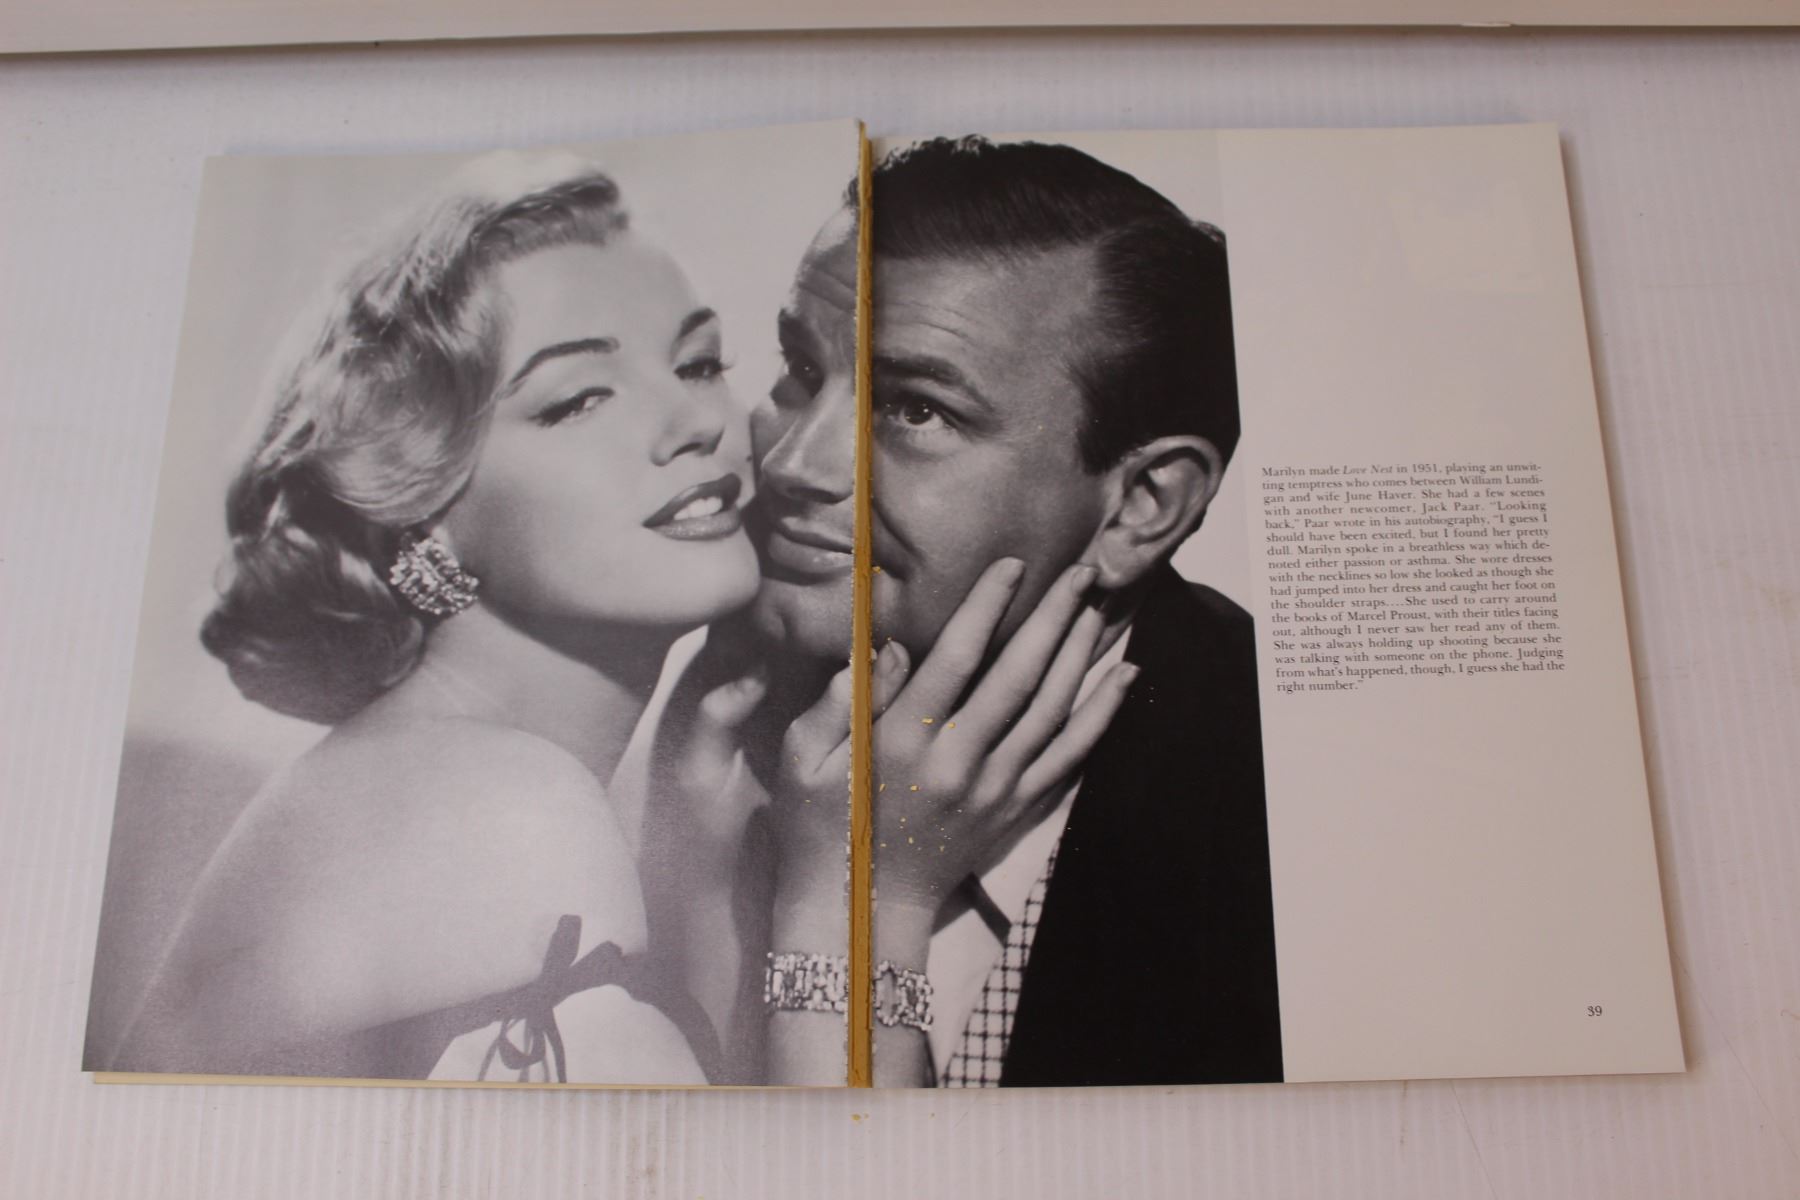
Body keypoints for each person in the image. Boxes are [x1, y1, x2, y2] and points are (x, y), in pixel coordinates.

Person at [113, 157, 770, 1083]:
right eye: (579, 398)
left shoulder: (420, 771)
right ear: (423, 510)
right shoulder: (505, 806)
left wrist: (697, 870)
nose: (695, 422)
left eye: (698, 363)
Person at [659, 136, 1282, 1087]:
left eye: (916, 410)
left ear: (1141, 506)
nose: (790, 464)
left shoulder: (1282, 811)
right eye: (800, 369)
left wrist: (860, 897)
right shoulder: (703, 736)